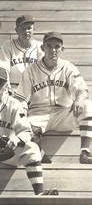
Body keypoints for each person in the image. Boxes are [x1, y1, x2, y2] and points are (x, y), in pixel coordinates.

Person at [0, 68, 58, 196]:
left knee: (32, 147)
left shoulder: (14, 104)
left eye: (0, 84)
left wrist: (16, 140)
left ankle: (39, 193)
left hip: (7, 150)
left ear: (6, 86)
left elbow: (25, 130)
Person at [14, 31, 92, 164]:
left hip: (63, 115)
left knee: (88, 105)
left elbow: (83, 90)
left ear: (62, 49)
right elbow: (21, 98)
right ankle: (40, 152)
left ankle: (85, 152)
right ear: (42, 48)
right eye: (49, 46)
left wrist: (79, 99)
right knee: (21, 124)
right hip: (39, 114)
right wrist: (23, 116)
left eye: (57, 46)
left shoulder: (68, 67)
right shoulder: (31, 70)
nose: (53, 50)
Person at [0, 15, 44, 92]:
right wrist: (7, 88)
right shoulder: (8, 45)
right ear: (16, 30)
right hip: (14, 88)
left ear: (34, 29)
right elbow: (3, 69)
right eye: (22, 29)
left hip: (36, 89)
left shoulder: (40, 47)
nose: (26, 31)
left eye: (29, 28)